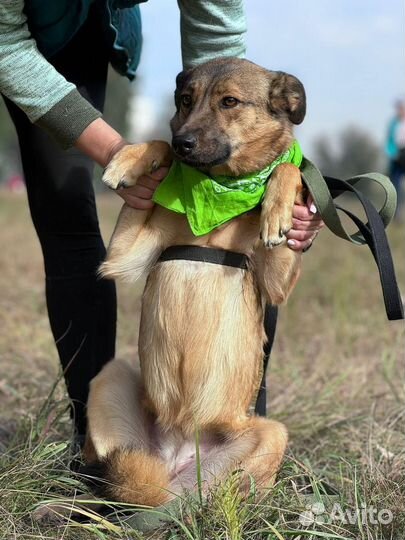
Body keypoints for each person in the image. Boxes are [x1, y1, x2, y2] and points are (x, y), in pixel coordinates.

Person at [0, 0, 323, 443]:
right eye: (185, 106)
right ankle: (96, 441)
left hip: (86, 27)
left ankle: (234, 425)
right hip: (29, 31)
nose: (185, 127)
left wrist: (292, 195)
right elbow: (6, 44)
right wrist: (119, 153)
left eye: (228, 104)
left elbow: (217, 44)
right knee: (66, 213)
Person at [385, 99, 405, 218]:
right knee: (395, 186)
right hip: (397, 157)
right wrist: (394, 154)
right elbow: (389, 142)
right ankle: (396, 213)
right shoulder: (393, 124)